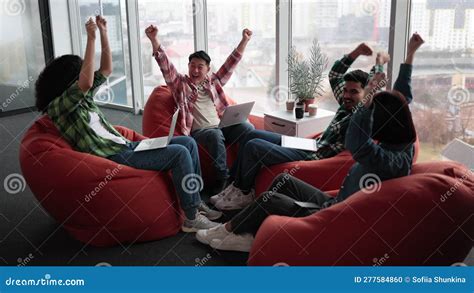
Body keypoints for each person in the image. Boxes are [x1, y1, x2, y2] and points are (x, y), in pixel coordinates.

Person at [196, 33, 425, 252]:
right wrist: (408, 54)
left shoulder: (385, 159)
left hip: (331, 211)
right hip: (330, 187)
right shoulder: (401, 142)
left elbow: (358, 143)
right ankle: (238, 189)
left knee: (268, 194)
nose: (346, 95)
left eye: (356, 94)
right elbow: (401, 98)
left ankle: (231, 230)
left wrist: (366, 101)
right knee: (258, 145)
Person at [35, 16, 221, 233]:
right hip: (112, 155)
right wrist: (91, 38)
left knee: (188, 142)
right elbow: (85, 82)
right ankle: (190, 218)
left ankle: (195, 199)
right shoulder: (59, 106)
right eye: (77, 75)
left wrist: (104, 32)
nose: (82, 78)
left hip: (126, 145)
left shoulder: (81, 99)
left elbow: (105, 71)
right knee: (179, 153)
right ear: (67, 81)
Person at [211, 43, 390, 210]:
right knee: (250, 135)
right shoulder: (346, 103)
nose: (347, 95)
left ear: (365, 94)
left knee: (254, 146)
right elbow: (335, 74)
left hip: (314, 154)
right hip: (308, 144)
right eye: (345, 90)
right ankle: (234, 185)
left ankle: (244, 193)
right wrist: (356, 52)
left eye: (354, 92)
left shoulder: (362, 113)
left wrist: (379, 63)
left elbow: (374, 87)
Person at [145, 25, 255, 194]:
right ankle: (223, 180)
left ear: (208, 69)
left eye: (200, 66)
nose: (195, 70)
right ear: (188, 66)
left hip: (222, 125)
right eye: (192, 65)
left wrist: (244, 40)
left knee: (248, 129)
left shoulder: (214, 81)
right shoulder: (180, 84)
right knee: (214, 134)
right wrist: (154, 40)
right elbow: (165, 64)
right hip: (201, 131)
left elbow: (232, 62)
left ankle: (240, 175)